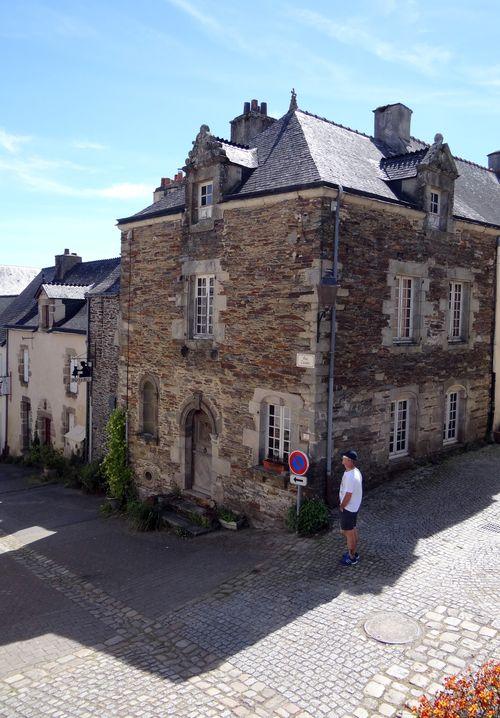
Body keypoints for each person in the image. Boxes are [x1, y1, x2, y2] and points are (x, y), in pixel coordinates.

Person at [339, 449, 363, 566]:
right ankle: (354, 552)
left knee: (348, 532)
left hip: (348, 508)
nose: (342, 462)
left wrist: (342, 505)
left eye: (344, 460)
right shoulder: (356, 471)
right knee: (352, 529)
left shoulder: (350, 477)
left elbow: (348, 494)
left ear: (349, 461)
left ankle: (351, 557)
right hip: (354, 507)